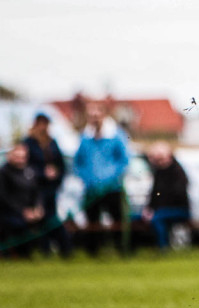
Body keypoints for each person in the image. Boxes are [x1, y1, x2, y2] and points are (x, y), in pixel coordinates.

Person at [74, 102, 130, 254]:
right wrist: (86, 178)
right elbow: (78, 162)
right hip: (91, 188)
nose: (94, 118)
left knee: (116, 219)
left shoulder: (116, 135)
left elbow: (124, 160)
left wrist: (111, 178)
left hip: (112, 187)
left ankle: (121, 249)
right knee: (92, 220)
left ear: (104, 115)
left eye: (97, 115)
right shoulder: (85, 137)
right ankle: (93, 251)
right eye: (91, 115)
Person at [23, 113, 72, 257]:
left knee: (50, 218)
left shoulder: (52, 142)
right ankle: (59, 249)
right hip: (36, 189)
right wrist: (42, 173)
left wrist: (56, 175)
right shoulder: (29, 143)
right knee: (45, 218)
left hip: (52, 188)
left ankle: (57, 249)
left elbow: (60, 164)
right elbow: (26, 167)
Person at [0, 143, 45, 257]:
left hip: (29, 211)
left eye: (22, 157)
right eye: (17, 156)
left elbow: (37, 192)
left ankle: (38, 252)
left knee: (49, 221)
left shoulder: (30, 171)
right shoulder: (4, 172)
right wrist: (22, 212)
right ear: (10, 156)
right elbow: (4, 197)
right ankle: (14, 253)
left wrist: (38, 208)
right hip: (10, 212)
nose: (20, 160)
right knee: (18, 224)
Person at [143, 142, 191, 249]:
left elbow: (177, 195)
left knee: (157, 219)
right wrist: (149, 209)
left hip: (179, 210)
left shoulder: (178, 172)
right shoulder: (159, 173)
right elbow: (155, 195)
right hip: (163, 211)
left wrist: (156, 210)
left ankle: (163, 248)